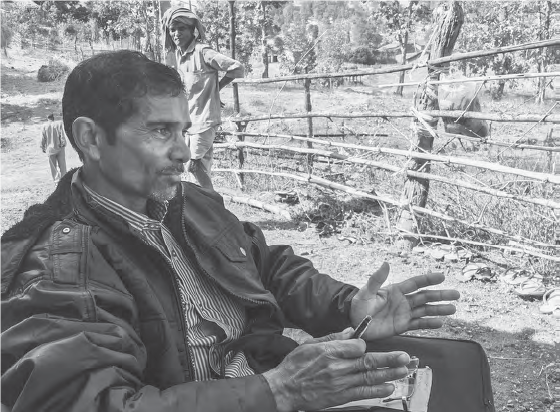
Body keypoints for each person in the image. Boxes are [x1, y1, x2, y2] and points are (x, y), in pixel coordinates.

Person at [0, 50, 460, 412]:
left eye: (184, 130)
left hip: (264, 379)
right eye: (160, 131)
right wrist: (276, 392)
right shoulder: (57, 265)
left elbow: (268, 266)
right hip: (247, 396)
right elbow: (95, 405)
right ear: (91, 139)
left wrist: (347, 306)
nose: (183, 152)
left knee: (455, 371)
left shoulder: (188, 203)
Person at [161, 7, 244, 190]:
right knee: (198, 167)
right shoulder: (177, 56)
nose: (176, 34)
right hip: (189, 121)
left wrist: (216, 88)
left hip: (205, 120)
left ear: (193, 30)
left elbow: (237, 68)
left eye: (181, 29)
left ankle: (214, 201)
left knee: (193, 164)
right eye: (173, 29)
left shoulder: (203, 51)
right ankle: (208, 207)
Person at [40, 113, 67, 183]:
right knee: (62, 166)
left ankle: (57, 181)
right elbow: (62, 136)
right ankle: (64, 181)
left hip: (50, 150)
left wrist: (42, 147)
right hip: (59, 148)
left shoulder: (44, 126)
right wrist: (63, 144)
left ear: (47, 118)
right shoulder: (59, 124)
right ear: (53, 118)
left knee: (53, 167)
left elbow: (43, 138)